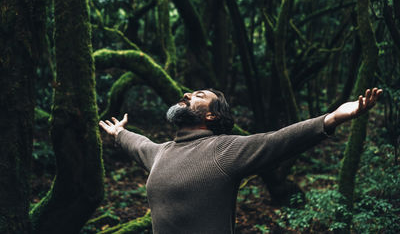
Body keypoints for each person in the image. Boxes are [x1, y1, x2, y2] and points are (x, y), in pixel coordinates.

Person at [99, 87, 382, 234]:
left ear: (211, 116)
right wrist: (119, 133)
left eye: (198, 96)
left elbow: (279, 140)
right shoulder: (160, 152)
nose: (186, 95)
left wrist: (331, 118)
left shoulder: (224, 150)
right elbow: (139, 145)